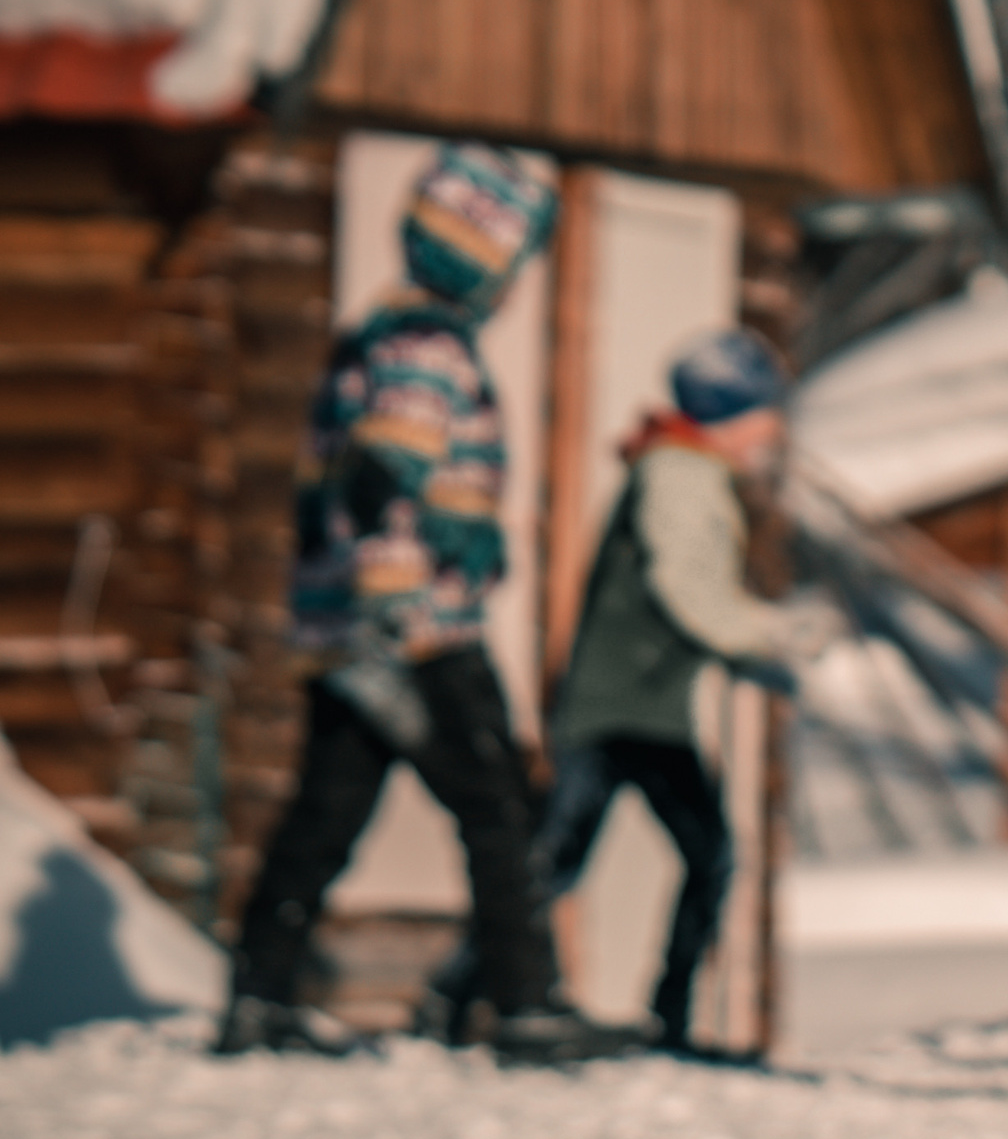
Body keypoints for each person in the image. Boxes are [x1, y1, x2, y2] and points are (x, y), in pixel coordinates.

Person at [220, 145, 627, 1063]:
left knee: (325, 812)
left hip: (347, 627)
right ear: (482, 264)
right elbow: (382, 471)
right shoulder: (429, 346)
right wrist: (396, 607)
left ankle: (260, 994)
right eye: (515, 263)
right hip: (413, 633)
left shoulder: (378, 334)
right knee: (500, 811)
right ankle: (525, 1005)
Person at [538, 330, 831, 1056]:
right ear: (730, 411)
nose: (773, 430)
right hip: (618, 707)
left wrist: (739, 645)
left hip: (646, 703)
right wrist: (771, 636)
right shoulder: (679, 472)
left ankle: (665, 1016)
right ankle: (475, 997)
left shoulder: (687, 466)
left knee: (688, 854)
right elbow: (688, 589)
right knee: (562, 858)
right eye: (764, 414)